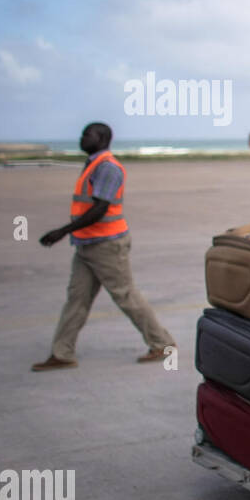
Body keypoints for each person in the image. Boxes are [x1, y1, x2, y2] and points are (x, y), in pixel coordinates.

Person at [31, 123, 177, 370]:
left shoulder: (107, 168)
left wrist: (63, 231)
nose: (82, 138)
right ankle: (62, 354)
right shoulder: (93, 165)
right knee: (76, 299)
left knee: (126, 296)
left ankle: (163, 344)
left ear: (102, 139)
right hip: (87, 244)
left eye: (87, 134)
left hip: (106, 245)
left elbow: (100, 209)